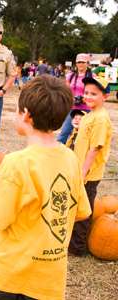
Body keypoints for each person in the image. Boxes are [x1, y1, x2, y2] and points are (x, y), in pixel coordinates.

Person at [0, 75, 91, 300]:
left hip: (4, 276)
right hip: (47, 279)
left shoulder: (15, 163)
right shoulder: (71, 159)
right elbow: (80, 212)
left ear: (25, 115)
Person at [69, 76, 112, 257]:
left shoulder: (101, 119)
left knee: (84, 210)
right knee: (76, 206)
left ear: (106, 96)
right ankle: (73, 241)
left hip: (88, 173)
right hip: (80, 169)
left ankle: (78, 247)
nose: (88, 96)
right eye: (86, 92)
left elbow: (95, 149)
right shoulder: (90, 115)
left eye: (94, 94)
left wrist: (82, 172)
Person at [57, 53, 93, 144]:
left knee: (83, 135)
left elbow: (95, 92)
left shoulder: (92, 77)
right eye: (78, 62)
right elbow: (66, 90)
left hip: (87, 109)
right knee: (64, 133)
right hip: (72, 108)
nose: (80, 64)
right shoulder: (70, 76)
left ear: (87, 63)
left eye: (83, 62)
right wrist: (70, 98)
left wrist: (86, 98)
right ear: (76, 63)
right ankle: (57, 153)